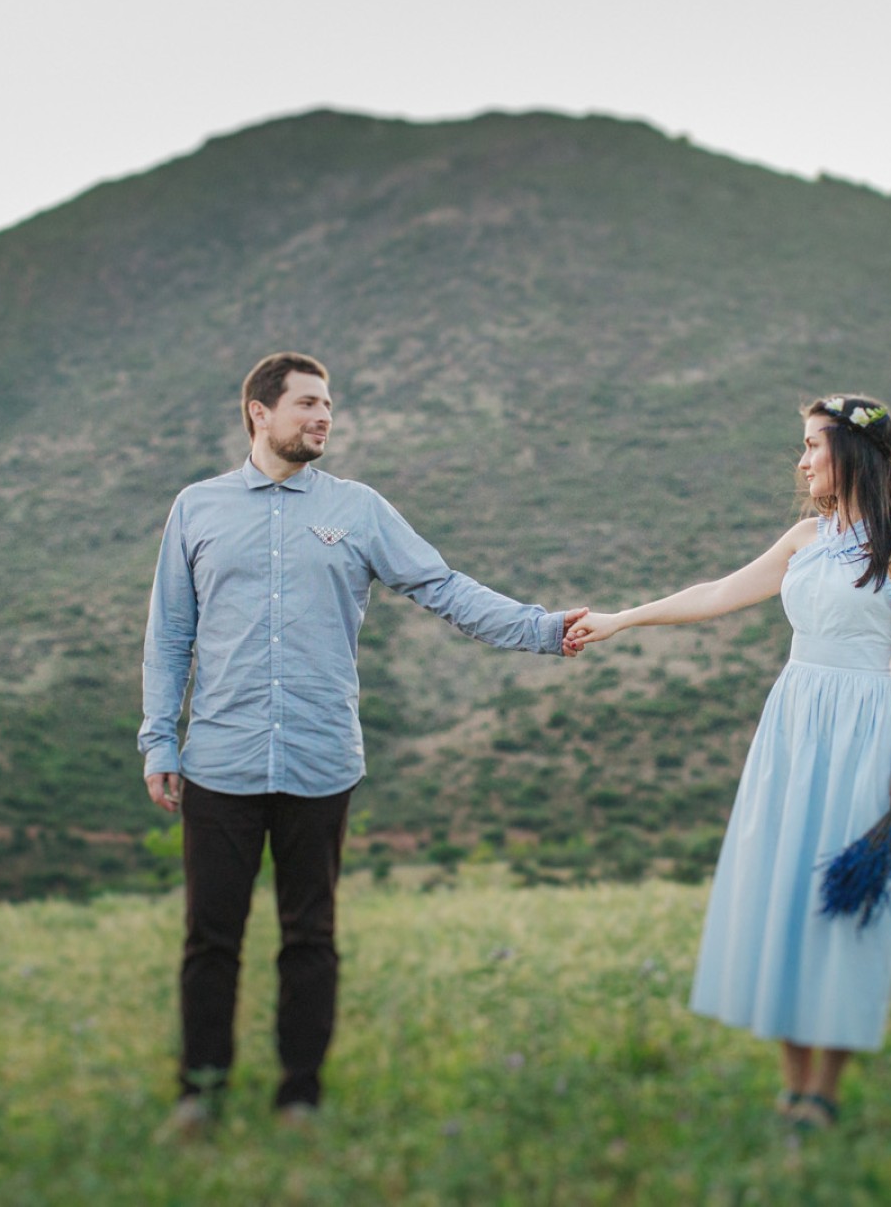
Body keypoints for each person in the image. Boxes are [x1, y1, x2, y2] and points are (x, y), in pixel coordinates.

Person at [140, 351, 585, 1137]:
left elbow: (443, 588)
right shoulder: (197, 508)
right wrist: (159, 742)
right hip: (219, 762)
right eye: (308, 403)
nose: (324, 418)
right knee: (212, 937)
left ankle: (299, 1098)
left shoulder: (360, 509)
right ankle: (199, 1094)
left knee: (311, 935)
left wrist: (544, 629)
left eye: (329, 406)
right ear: (259, 413)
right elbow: (170, 635)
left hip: (319, 761)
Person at [568, 394, 891, 1128]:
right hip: (793, 725)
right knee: (787, 894)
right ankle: (791, 1086)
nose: (801, 462)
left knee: (847, 902)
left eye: (811, 446)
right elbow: (717, 593)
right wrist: (622, 619)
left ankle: (825, 1094)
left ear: (852, 454)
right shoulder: (803, 538)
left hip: (866, 728)